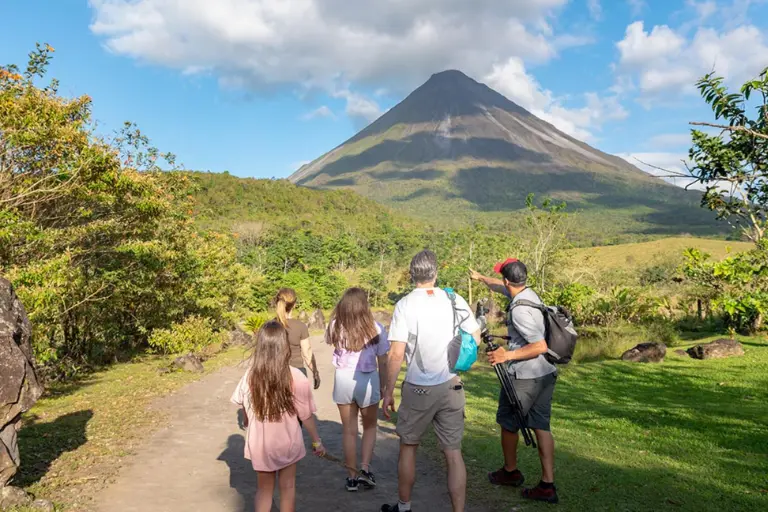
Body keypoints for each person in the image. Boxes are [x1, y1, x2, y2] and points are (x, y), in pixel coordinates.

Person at [381, 250, 481, 512]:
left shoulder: (405, 305)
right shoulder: (453, 298)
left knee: (409, 446)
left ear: (411, 274)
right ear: (435, 273)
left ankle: (404, 507)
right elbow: (476, 337)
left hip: (419, 388)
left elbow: (396, 354)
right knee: (453, 452)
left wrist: (388, 391)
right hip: (452, 384)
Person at [470, 259, 559, 504]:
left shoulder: (518, 309)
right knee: (541, 425)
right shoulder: (530, 294)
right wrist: (480, 278)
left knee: (508, 422)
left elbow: (539, 345)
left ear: (509, 281)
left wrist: (506, 354)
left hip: (525, 376)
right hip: (545, 374)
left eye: (502, 279)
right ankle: (547, 484)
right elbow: (500, 287)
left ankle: (510, 472)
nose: (501, 283)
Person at [230, 321, 327, 512]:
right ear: (285, 346)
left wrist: (248, 419)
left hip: (260, 443)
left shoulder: (250, 375)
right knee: (288, 487)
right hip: (287, 443)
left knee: (264, 491)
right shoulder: (296, 376)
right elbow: (306, 416)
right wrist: (317, 441)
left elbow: (243, 405)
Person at [326, 287, 390, 492]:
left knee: (349, 429)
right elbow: (383, 359)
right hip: (368, 378)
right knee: (370, 426)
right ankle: (365, 469)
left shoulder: (335, 325)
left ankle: (351, 476)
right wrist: (384, 385)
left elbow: (331, 342)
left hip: (344, 377)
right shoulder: (376, 328)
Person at [274, 288, 320, 389]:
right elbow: (307, 353)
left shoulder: (269, 326)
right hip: (297, 373)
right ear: (294, 305)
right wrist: (315, 373)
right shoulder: (300, 326)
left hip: (275, 374)